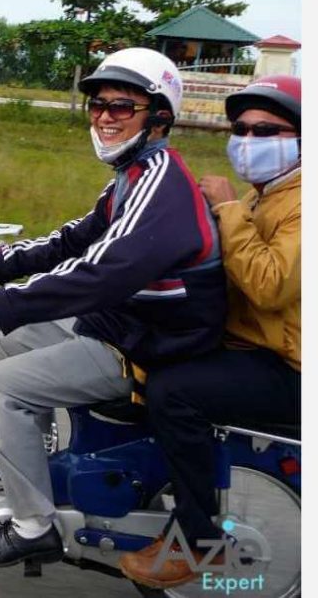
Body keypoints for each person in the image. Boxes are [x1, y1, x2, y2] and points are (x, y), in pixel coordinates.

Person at [0, 47, 227, 568]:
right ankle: (40, 467)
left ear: (159, 115)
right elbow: (75, 238)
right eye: (97, 105)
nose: (104, 116)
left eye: (121, 106)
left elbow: (97, 274)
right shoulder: (135, 175)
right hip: (128, 324)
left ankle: (33, 526)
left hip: (150, 344)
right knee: (15, 340)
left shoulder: (160, 186)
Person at [119, 75, 302, 590]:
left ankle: (200, 543)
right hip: (254, 347)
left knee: (173, 393)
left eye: (267, 131)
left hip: (289, 367)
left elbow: (268, 285)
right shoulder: (267, 194)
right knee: (139, 354)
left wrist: (227, 210)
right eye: (241, 128)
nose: (247, 140)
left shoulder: (297, 203)